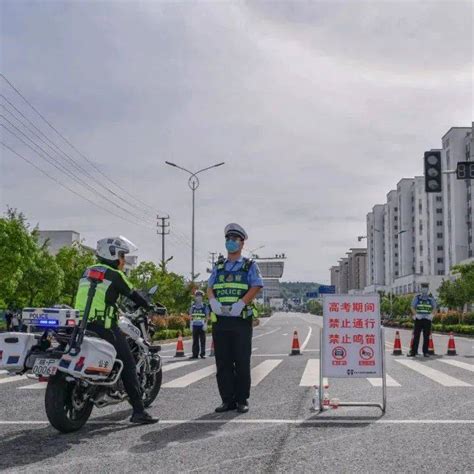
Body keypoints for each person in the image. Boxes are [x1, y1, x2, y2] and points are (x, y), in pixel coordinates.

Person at [74, 236, 159, 424]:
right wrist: (149, 306)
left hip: (81, 324)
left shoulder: (87, 271)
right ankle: (138, 412)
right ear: (111, 254)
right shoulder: (115, 274)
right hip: (104, 326)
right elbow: (133, 295)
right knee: (128, 363)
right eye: (121, 255)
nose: (123, 260)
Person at [207, 223, 264, 414]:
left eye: (234, 240)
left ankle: (241, 400)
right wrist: (213, 301)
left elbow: (256, 285)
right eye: (228, 239)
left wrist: (241, 303)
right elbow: (209, 286)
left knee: (241, 361)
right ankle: (227, 400)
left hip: (240, 320)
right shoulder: (219, 265)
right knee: (222, 362)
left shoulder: (249, 265)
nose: (230, 242)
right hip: (221, 320)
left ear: (242, 243)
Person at [407, 283, 437, 358]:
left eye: (426, 288)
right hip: (419, 319)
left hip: (427, 319)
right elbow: (412, 307)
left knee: (426, 336)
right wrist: (416, 314)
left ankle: (425, 352)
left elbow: (435, 307)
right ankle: (413, 352)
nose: (424, 289)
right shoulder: (417, 298)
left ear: (428, 289)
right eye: (423, 287)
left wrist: (431, 315)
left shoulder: (430, 298)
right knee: (416, 336)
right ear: (421, 289)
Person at [189, 290, 210, 359]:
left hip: (202, 326)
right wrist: (190, 324)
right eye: (197, 296)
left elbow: (207, 315)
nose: (198, 297)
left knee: (202, 341)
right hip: (195, 325)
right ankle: (195, 354)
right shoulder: (193, 306)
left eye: (200, 296)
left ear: (202, 297)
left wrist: (206, 323)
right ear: (195, 297)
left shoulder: (204, 306)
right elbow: (190, 315)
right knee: (195, 341)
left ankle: (202, 354)